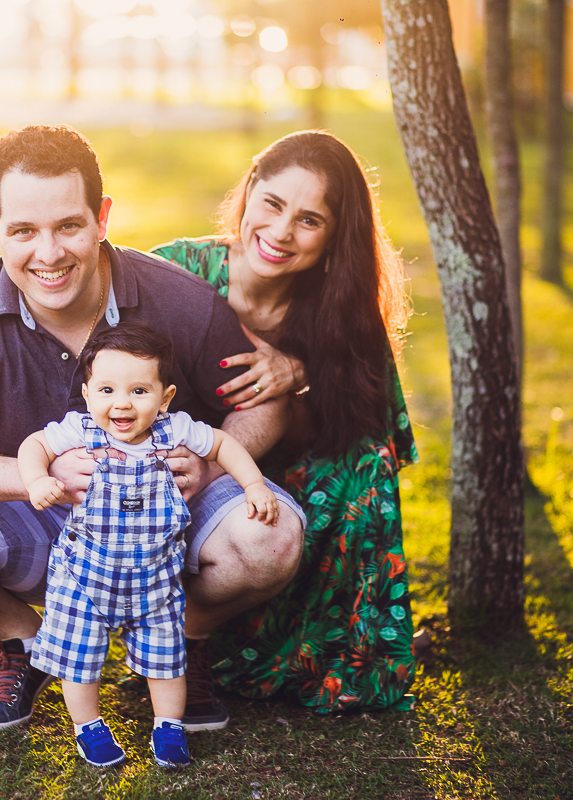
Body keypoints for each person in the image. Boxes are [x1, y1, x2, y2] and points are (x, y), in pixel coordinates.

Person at [0, 125, 305, 737]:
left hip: (166, 517)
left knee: (271, 541)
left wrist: (215, 464)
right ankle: (32, 643)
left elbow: (265, 401)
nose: (49, 253)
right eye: (22, 231)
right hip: (40, 515)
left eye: (68, 225)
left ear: (103, 218)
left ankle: (181, 639)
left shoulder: (181, 301)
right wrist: (31, 475)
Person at [150, 130, 418, 714]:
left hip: (278, 469)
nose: (279, 233)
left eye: (309, 220)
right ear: (248, 191)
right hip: (173, 464)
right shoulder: (173, 272)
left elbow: (363, 421)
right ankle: (174, 639)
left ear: (333, 237)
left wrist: (298, 370)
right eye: (271, 204)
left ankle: (317, 658)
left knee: (368, 465)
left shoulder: (339, 306)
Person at [19, 323, 279, 768]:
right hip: (85, 579)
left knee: (167, 661)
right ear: (87, 394)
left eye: (139, 391)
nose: (121, 402)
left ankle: (168, 726)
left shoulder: (174, 430)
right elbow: (34, 445)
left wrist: (253, 484)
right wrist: (37, 478)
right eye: (106, 389)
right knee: (79, 661)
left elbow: (223, 443)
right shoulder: (79, 431)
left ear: (165, 397)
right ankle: (89, 728)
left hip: (155, 581)